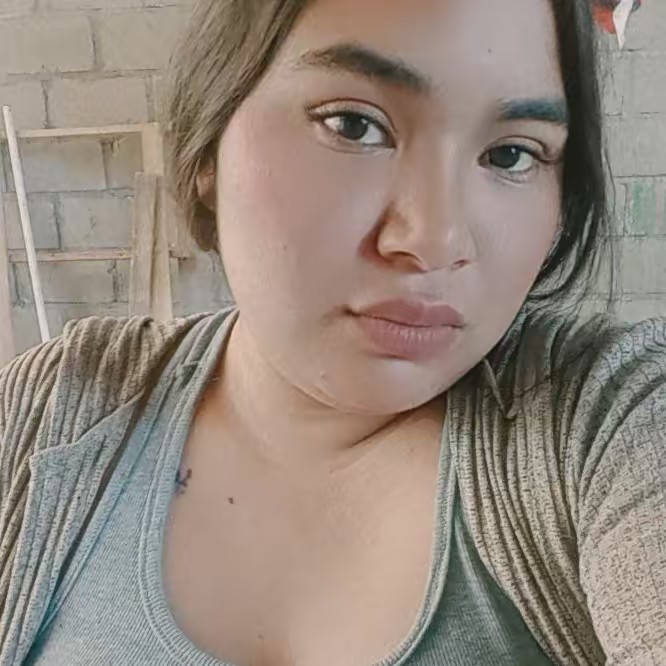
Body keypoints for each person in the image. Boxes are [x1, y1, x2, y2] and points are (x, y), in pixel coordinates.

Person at [0, 0, 664, 664]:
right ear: (209, 147)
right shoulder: (41, 416)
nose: (435, 241)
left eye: (512, 154)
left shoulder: (612, 421)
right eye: (354, 125)